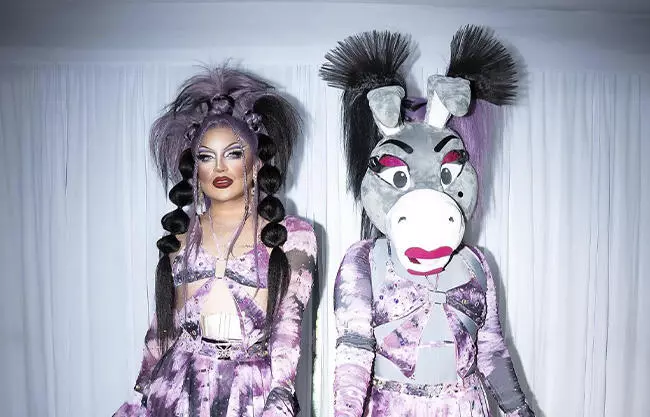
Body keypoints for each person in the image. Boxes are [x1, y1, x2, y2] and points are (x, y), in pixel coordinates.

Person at [320, 26, 535, 416]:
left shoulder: (477, 263)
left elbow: (490, 348)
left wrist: (520, 411)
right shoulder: (363, 261)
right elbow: (354, 349)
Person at [114, 66, 316, 417]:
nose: (219, 168)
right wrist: (140, 399)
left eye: (233, 153)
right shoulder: (179, 238)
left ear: (256, 163)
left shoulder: (293, 235)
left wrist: (281, 397)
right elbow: (162, 330)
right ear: (196, 169)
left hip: (252, 397)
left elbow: (289, 328)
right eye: (206, 157)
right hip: (177, 392)